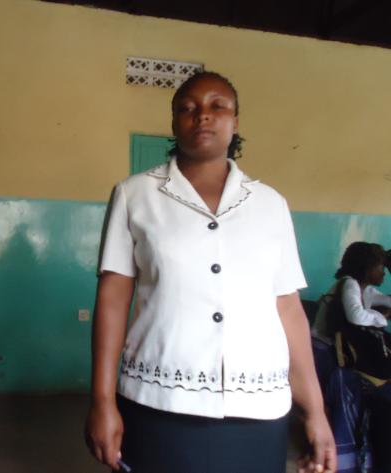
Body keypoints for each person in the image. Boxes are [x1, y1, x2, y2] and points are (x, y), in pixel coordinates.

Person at [85, 71, 336, 473]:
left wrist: (316, 412)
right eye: (187, 108)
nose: (202, 115)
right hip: (159, 402)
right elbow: (113, 299)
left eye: (217, 106)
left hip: (259, 408)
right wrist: (102, 400)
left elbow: (288, 310)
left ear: (235, 122)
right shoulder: (135, 195)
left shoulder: (270, 204)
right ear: (174, 123)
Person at [314, 241, 391, 380]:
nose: (384, 272)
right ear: (368, 267)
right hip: (326, 350)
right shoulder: (349, 283)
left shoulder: (366, 289)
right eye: (381, 267)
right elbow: (356, 316)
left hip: (341, 348)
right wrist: (382, 316)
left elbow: (388, 301)